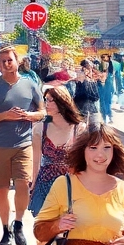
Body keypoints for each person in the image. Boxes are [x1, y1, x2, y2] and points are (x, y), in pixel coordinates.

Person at [0, 47, 46, 245]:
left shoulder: (30, 85)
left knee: (22, 184)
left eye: (10, 60)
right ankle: (5, 230)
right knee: (1, 189)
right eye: (3, 61)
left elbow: (43, 111)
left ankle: (18, 223)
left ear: (17, 61)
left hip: (23, 143)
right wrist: (4, 115)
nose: (7, 64)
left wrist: (29, 116)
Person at [29, 87, 85, 223]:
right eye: (46, 100)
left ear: (62, 102)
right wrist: (33, 186)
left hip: (70, 183)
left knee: (68, 228)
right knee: (44, 227)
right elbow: (35, 161)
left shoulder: (79, 128)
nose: (47, 104)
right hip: (46, 182)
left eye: (51, 101)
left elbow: (84, 162)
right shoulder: (40, 128)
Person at [69, 60, 102, 130]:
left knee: (94, 131)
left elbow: (96, 97)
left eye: (91, 68)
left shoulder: (91, 81)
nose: (90, 71)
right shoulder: (78, 81)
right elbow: (81, 95)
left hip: (91, 111)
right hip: (81, 111)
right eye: (88, 68)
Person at [98, 57, 116, 124]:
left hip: (107, 95)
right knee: (103, 107)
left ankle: (109, 118)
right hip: (102, 96)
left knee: (107, 106)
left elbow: (112, 88)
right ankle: (105, 120)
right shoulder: (98, 82)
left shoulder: (109, 79)